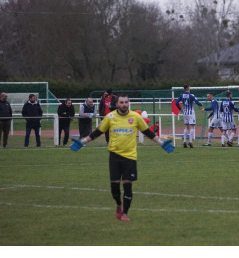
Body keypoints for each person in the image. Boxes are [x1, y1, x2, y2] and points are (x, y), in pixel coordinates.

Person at [69, 93, 174, 222]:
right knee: (114, 188)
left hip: (130, 157)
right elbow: (97, 132)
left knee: (127, 186)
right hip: (114, 156)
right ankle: (119, 204)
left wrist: (162, 143)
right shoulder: (110, 117)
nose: (124, 105)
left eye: (126, 102)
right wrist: (82, 142)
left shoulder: (135, 117)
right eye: (122, 102)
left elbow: (148, 132)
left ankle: (125, 213)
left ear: (128, 103)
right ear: (117, 104)